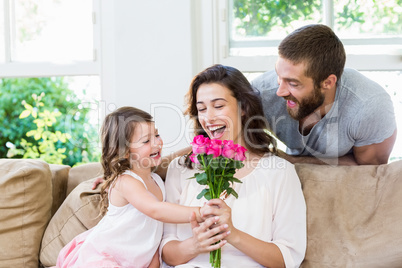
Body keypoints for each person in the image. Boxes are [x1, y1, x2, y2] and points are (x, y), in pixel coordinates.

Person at [161, 64, 306, 267]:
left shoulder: (279, 173)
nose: (208, 118)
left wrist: (231, 233)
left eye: (219, 106)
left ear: (244, 108)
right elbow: (166, 253)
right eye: (201, 109)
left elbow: (287, 258)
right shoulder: (181, 168)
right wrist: (196, 244)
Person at [54, 106, 207, 268]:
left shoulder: (157, 180)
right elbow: (156, 210)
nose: (157, 143)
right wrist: (201, 212)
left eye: (157, 135)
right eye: (147, 141)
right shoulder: (126, 181)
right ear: (125, 152)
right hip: (106, 258)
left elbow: (154, 236)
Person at [251, 24, 397, 166]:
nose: (280, 91)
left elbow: (369, 170)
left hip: (346, 181)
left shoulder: (370, 106)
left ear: (327, 82)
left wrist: (294, 162)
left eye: (293, 84)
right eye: (278, 75)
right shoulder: (259, 93)